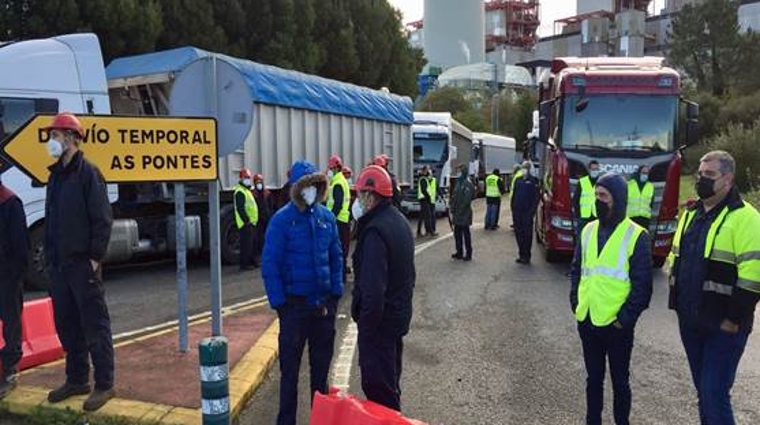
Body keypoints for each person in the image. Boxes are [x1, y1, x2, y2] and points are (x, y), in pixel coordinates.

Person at [668, 151, 760, 424]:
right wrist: (677, 304)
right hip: (691, 320)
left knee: (714, 393)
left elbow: (753, 276)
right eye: (699, 173)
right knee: (704, 393)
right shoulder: (691, 213)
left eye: (709, 175)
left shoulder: (746, 218)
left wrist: (733, 320)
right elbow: (677, 259)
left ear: (728, 180)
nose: (701, 179)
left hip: (724, 326)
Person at [43, 113, 115, 411]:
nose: (52, 141)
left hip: (82, 264)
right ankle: (77, 379)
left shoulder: (89, 174)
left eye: (56, 135)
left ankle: (105, 384)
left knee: (94, 324)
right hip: (59, 265)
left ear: (72, 138)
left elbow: (102, 219)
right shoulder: (55, 176)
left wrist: (95, 257)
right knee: (67, 323)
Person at [262, 160, 343, 425]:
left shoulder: (326, 218)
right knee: (290, 375)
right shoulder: (281, 221)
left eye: (315, 186)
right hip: (294, 310)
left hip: (322, 309)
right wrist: (280, 305)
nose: (311, 191)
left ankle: (318, 420)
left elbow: (336, 257)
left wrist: (335, 294)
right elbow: (270, 264)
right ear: (296, 188)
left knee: (320, 375)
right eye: (305, 186)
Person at [570, 173, 653, 425]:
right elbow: (577, 269)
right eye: (596, 195)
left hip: (617, 326)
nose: (598, 200)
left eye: (603, 196)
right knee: (593, 380)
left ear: (618, 199)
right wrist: (575, 301)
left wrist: (623, 320)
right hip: (587, 319)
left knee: (620, 381)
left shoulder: (636, 235)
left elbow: (643, 287)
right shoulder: (587, 230)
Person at [350, 165, 415, 411]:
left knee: (380, 394)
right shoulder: (398, 221)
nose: (357, 201)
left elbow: (373, 292)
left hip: (380, 327)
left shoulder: (375, 232)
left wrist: (366, 331)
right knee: (390, 384)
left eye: (359, 195)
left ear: (370, 196)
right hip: (396, 320)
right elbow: (410, 275)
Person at [0, 175, 29, 400]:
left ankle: (10, 370)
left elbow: (21, 247)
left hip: (7, 275)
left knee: (11, 321)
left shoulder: (10, 202)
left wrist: (14, 277)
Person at [326, 154, 351, 280]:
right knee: (342, 249)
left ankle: (340, 277)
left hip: (338, 221)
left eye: (330, 169)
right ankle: (341, 276)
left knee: (337, 251)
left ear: (336, 168)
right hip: (343, 220)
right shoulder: (341, 181)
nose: (329, 171)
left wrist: (330, 218)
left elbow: (337, 204)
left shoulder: (337, 183)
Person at [512, 162, 541, 264]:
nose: (524, 170)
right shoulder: (518, 180)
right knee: (518, 233)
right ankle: (521, 254)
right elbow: (514, 194)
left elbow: (537, 197)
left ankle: (527, 255)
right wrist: (513, 208)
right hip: (517, 212)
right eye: (523, 168)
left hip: (527, 213)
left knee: (527, 235)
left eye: (526, 168)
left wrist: (532, 212)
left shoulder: (534, 181)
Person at [234, 168, 259, 270]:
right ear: (241, 178)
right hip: (245, 224)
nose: (248, 179)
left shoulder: (246, 190)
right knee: (246, 246)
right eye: (246, 177)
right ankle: (244, 265)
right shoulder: (240, 191)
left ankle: (252, 262)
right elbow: (240, 208)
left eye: (249, 177)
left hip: (251, 222)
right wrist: (247, 220)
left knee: (251, 244)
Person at [450, 165, 475, 261]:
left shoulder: (468, 184)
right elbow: (454, 197)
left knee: (466, 234)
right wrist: (452, 208)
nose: (458, 173)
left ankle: (468, 253)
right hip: (457, 213)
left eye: (459, 171)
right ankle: (459, 252)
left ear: (463, 172)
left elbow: (467, 200)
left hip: (464, 213)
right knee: (457, 234)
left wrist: (459, 210)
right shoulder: (458, 183)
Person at [573, 160, 602, 236]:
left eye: (596, 169)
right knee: (581, 238)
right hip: (584, 217)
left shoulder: (602, 182)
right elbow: (576, 199)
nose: (595, 171)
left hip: (597, 217)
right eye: (593, 169)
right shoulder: (582, 182)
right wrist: (578, 214)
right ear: (589, 170)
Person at [251, 173, 272, 264]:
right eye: (257, 182)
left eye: (260, 181)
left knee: (266, 238)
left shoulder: (267, 193)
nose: (259, 184)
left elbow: (271, 205)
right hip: (258, 220)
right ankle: (258, 257)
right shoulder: (253, 194)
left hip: (266, 218)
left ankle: (266, 256)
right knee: (257, 239)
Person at [627, 165, 654, 230]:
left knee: (643, 238)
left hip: (645, 219)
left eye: (647, 173)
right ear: (639, 173)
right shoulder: (629, 185)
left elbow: (651, 203)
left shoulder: (650, 186)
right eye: (643, 173)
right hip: (631, 219)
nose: (645, 175)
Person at [416, 166, 437, 238]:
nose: (428, 171)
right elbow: (424, 190)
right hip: (424, 199)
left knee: (422, 216)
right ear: (425, 171)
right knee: (428, 216)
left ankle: (418, 232)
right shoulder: (423, 179)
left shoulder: (424, 178)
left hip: (423, 199)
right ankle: (431, 232)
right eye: (427, 170)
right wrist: (429, 197)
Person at [509, 163, 525, 229]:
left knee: (515, 212)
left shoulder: (517, 175)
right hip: (517, 196)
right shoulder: (520, 174)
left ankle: (516, 224)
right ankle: (517, 224)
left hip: (515, 197)